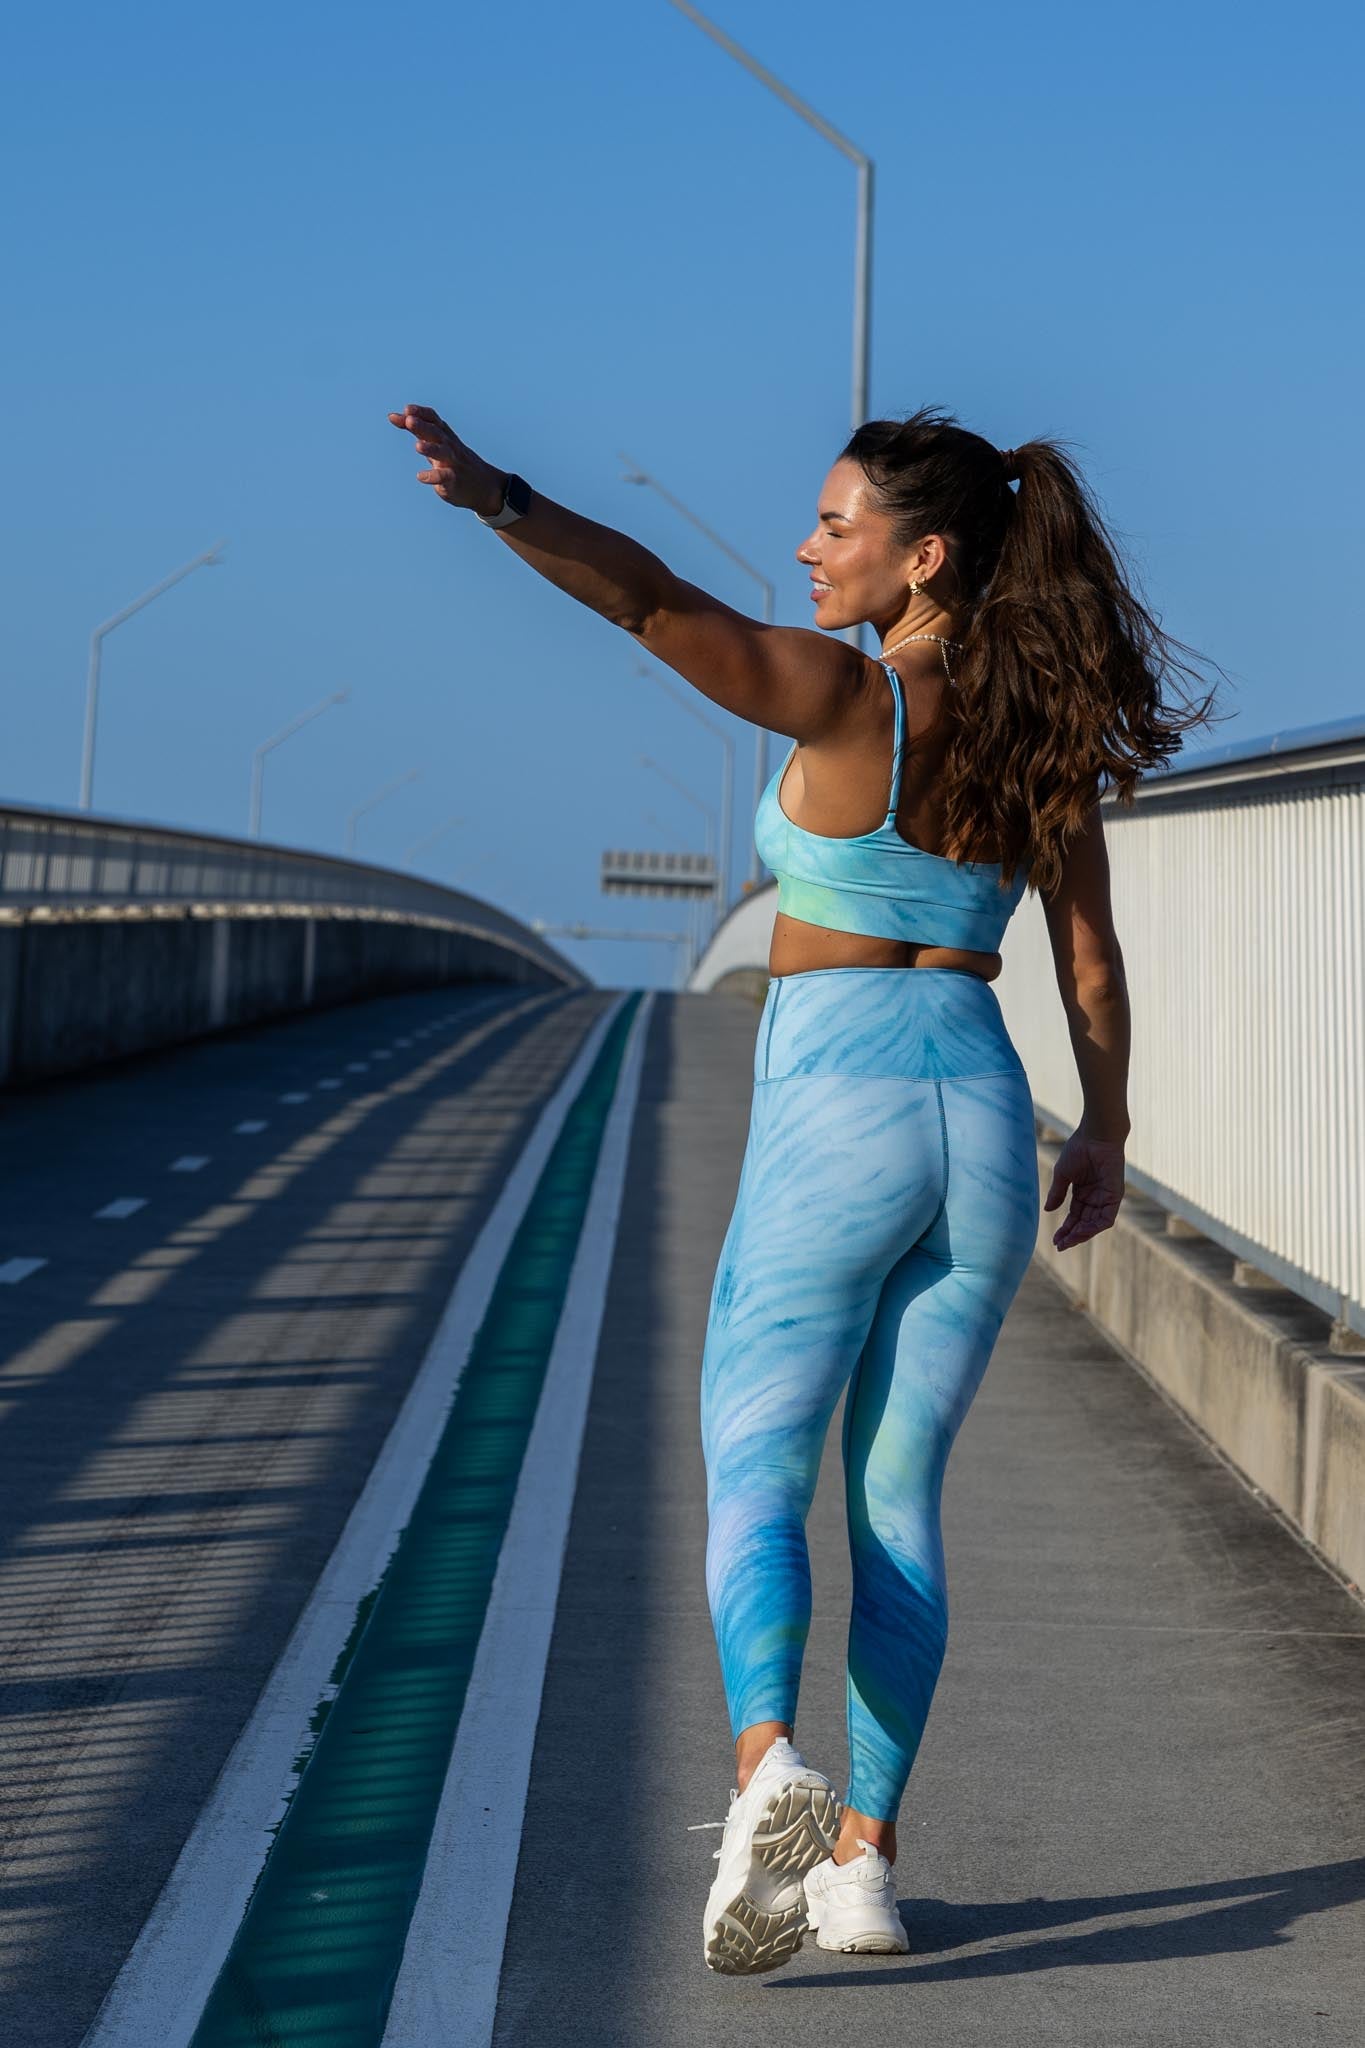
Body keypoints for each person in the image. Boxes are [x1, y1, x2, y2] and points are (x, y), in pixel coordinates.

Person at [388, 401, 1223, 1975]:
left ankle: (765, 1767)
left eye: (833, 525)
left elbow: (649, 601)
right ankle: (863, 1876)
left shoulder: (846, 693)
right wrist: (1101, 1128)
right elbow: (1089, 958)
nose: (803, 547)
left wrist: (503, 497)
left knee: (756, 1467)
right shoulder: (1037, 733)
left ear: (923, 557)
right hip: (977, 1100)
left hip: (838, 1094)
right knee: (899, 1499)